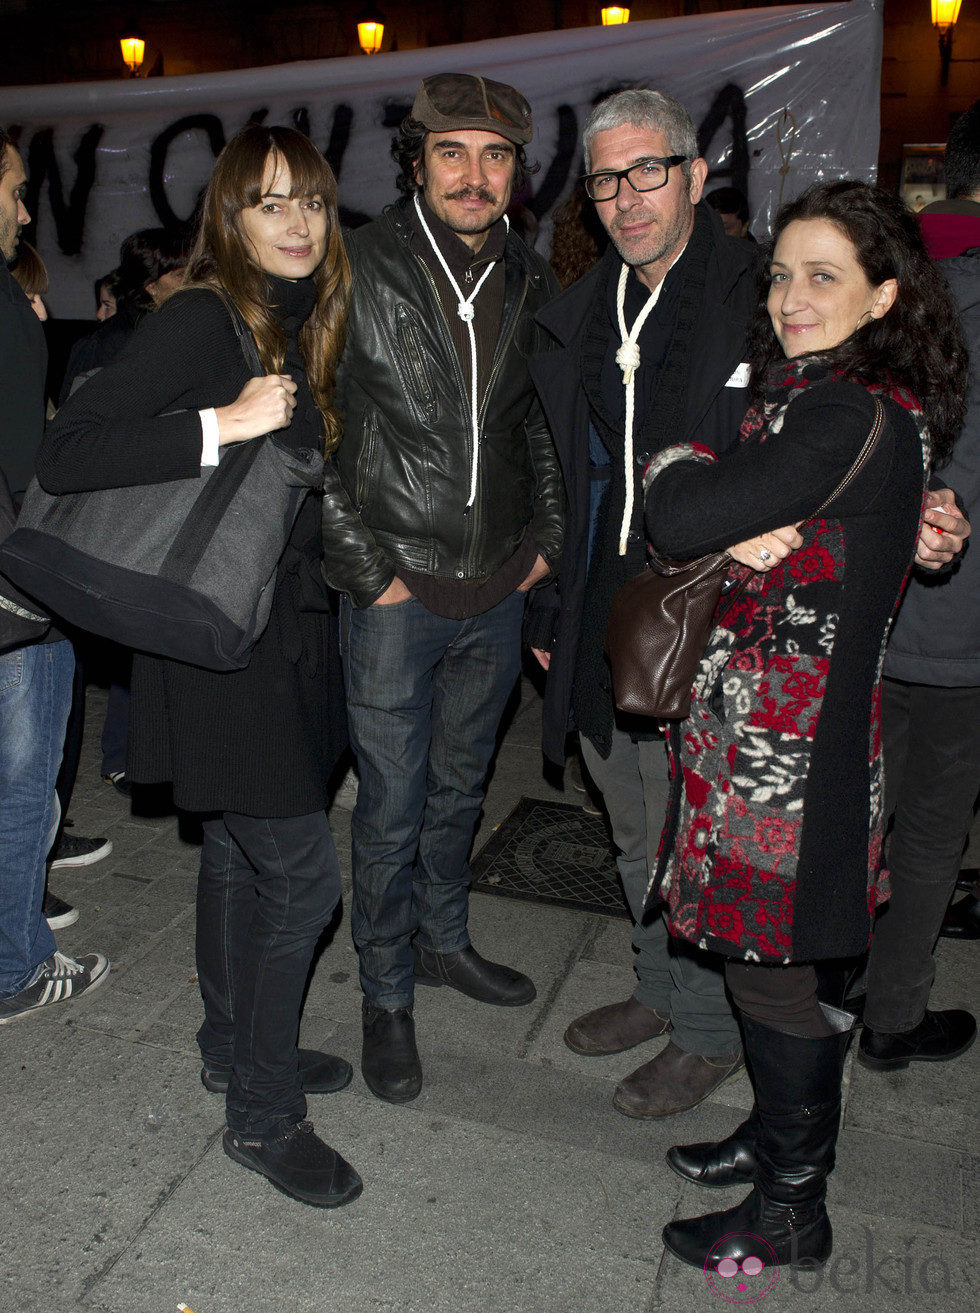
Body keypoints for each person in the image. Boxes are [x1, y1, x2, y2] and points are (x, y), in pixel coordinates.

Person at [639, 180, 968, 1272]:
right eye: (779, 274)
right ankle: (771, 1136)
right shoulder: (821, 395)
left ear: (883, 294)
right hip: (764, 742)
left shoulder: (841, 413)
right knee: (758, 960)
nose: (789, 297)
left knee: (770, 969)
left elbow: (680, 510)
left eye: (821, 277)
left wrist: (680, 467)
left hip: (792, 758)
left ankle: (790, 1203)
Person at [38, 124, 360, 1209]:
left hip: (281, 634)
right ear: (228, 216)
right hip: (229, 653)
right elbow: (67, 450)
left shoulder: (301, 317)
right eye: (268, 203)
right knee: (304, 875)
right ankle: (263, 1115)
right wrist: (218, 424)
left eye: (309, 202)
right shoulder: (201, 317)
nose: (295, 223)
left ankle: (235, 1045)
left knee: (234, 856)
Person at [320, 73, 564, 1104]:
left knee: (462, 787)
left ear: (518, 172)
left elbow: (540, 424)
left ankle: (443, 938)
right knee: (389, 803)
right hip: (396, 589)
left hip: (499, 583)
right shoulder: (356, 266)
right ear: (415, 160)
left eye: (495, 154)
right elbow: (310, 435)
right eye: (452, 152)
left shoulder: (533, 273)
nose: (475, 174)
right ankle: (384, 991)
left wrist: (548, 537)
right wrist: (366, 569)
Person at [528, 89, 757, 1119]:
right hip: (603, 607)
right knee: (630, 818)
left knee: (693, 828)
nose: (625, 198)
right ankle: (659, 986)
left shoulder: (754, 294)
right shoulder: (584, 310)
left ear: (694, 175)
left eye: (647, 172)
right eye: (605, 180)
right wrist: (551, 607)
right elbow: (562, 471)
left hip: (713, 609)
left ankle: (709, 1032)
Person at [857, 100, 980, 1064]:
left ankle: (810, 1007)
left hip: (868, 611)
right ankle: (890, 1016)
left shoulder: (898, 292)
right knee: (932, 830)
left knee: (848, 816)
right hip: (961, 637)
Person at [0, 124, 110, 1025]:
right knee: (22, 782)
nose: (26, 209)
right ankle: (15, 964)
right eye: (12, 189)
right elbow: (31, 460)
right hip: (15, 590)